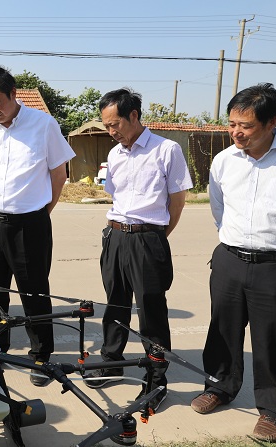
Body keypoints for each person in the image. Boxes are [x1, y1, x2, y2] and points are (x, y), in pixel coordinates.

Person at [190, 83, 276, 442]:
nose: (236, 132)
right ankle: (219, 386)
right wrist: (235, 242)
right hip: (230, 259)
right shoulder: (224, 161)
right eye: (232, 123)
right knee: (222, 329)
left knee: (274, 339)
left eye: (245, 125)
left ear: (271, 123)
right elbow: (219, 208)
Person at [0, 66, 75, 387]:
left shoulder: (44, 124)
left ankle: (41, 355)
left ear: (13, 94)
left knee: (33, 292)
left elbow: (59, 175)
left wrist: (41, 212)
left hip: (29, 224)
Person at [83, 88, 192, 413]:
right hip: (115, 237)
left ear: (133, 116)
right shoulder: (115, 154)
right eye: (106, 125)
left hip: (147, 239)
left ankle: (156, 379)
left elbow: (177, 202)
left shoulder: (166, 150)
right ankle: (111, 362)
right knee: (115, 303)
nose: (111, 131)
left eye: (114, 124)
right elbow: (116, 196)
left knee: (151, 311)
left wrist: (154, 237)